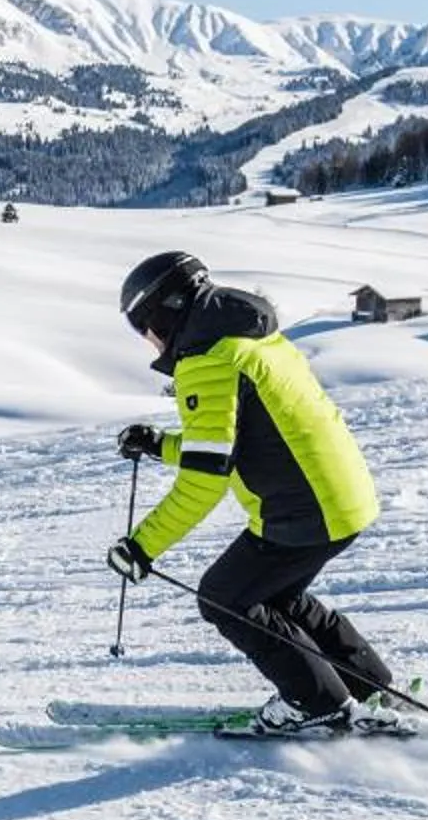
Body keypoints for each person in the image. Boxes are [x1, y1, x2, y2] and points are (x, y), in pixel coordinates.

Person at [103, 251, 400, 736]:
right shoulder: (246, 339)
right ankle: (367, 686)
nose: (147, 341)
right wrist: (161, 446)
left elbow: (205, 478)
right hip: (342, 496)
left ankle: (316, 703)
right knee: (278, 596)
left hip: (305, 509)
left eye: (142, 327)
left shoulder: (207, 360)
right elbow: (229, 443)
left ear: (163, 310)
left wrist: (142, 547)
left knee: (223, 596)